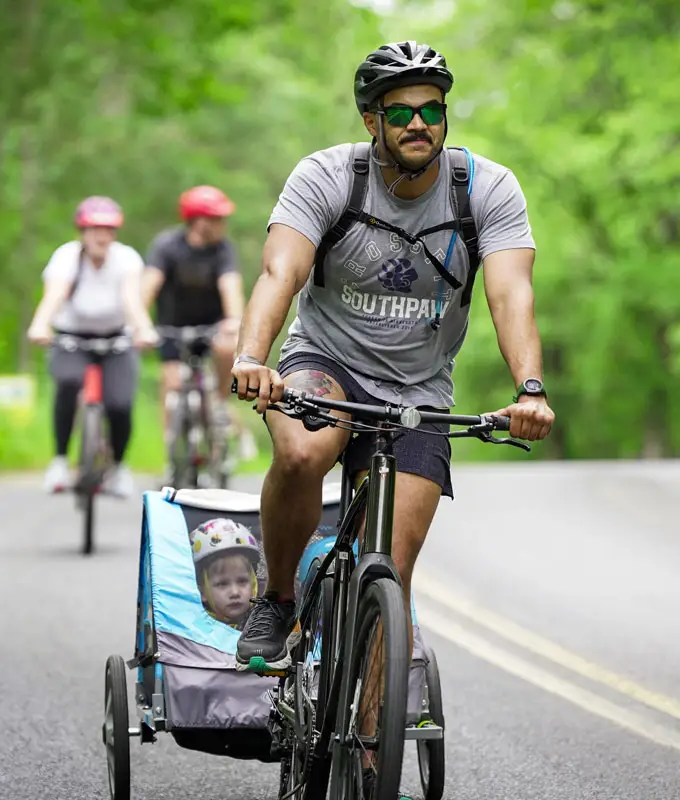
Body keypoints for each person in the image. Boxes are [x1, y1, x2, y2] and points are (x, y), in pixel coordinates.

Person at [231, 41, 555, 672]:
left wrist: (530, 389)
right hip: (327, 361)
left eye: (432, 111)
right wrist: (252, 356)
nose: (418, 124)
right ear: (370, 120)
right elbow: (280, 271)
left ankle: (371, 746)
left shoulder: (485, 188)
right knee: (301, 451)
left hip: (419, 390)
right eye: (400, 112)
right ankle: (277, 599)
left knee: (390, 578)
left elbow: (511, 291)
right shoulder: (328, 177)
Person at [27, 196, 158, 497]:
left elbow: (130, 299)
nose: (102, 236)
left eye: (108, 230)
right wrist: (40, 324)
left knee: (120, 404)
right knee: (68, 383)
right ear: (82, 233)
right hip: (72, 338)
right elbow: (55, 295)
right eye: (94, 229)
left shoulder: (126, 259)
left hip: (116, 339)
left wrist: (143, 328)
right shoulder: (66, 257)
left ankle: (119, 467)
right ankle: (60, 461)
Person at [141, 185, 256, 457]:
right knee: (171, 387)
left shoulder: (223, 250)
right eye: (217, 219)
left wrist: (234, 321)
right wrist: (140, 324)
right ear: (198, 221)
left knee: (228, 348)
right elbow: (147, 286)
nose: (222, 225)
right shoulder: (166, 246)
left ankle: (218, 404)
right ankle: (173, 453)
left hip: (212, 328)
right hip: (172, 328)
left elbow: (230, 287)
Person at [190, 518, 261, 629]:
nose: (235, 592)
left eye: (242, 581)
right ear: (201, 592)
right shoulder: (195, 631)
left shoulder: (265, 623)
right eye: (222, 584)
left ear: (253, 583)